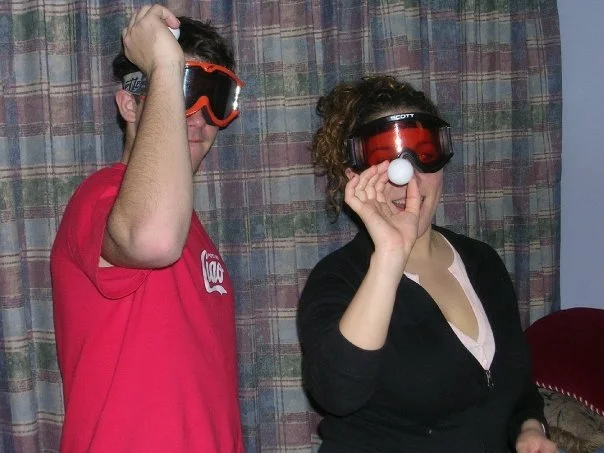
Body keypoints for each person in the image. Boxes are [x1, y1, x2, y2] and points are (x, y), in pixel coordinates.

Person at [297, 75, 558, 453]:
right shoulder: (338, 278)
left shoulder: (482, 262)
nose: (410, 180)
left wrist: (529, 427)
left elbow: (514, 385)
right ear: (355, 178)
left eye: (424, 153)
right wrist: (390, 254)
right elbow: (337, 394)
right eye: (385, 161)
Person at [50, 5, 244, 452]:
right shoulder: (101, 197)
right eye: (180, 92)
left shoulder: (194, 231)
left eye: (212, 98)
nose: (198, 118)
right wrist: (162, 63)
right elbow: (153, 240)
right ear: (128, 104)